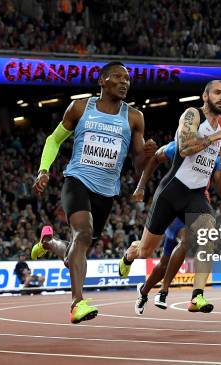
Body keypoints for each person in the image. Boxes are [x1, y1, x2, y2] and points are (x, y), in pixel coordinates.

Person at [31, 62, 157, 323]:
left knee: (79, 247)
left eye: (128, 79)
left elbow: (137, 164)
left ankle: (48, 244)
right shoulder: (80, 108)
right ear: (102, 80)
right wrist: (44, 170)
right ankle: (77, 303)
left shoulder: (134, 117)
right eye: (118, 77)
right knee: (83, 234)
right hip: (77, 180)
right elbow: (54, 139)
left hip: (107, 192)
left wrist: (147, 157)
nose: (125, 82)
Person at [119, 80, 221, 313]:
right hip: (172, 190)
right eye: (217, 93)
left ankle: (197, 296)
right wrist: (217, 136)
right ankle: (128, 256)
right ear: (205, 96)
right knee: (145, 251)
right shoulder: (192, 115)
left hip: (195, 195)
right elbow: (184, 149)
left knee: (207, 233)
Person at [132, 138, 221, 315]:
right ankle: (153, 291)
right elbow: (155, 157)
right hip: (172, 204)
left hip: (193, 207)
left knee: (176, 254)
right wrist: (141, 185)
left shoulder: (214, 157)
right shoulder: (180, 145)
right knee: (168, 254)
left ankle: (154, 292)